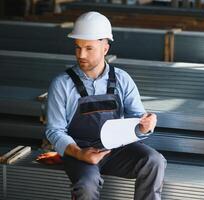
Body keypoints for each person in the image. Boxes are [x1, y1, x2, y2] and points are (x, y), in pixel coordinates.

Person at [45, 11, 167, 200]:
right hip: (79, 152)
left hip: (116, 150)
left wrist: (144, 126)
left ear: (105, 49)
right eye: (77, 48)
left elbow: (137, 118)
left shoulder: (122, 79)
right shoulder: (62, 84)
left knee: (154, 161)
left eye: (89, 48)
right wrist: (79, 153)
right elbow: (54, 130)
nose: (81, 55)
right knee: (86, 185)